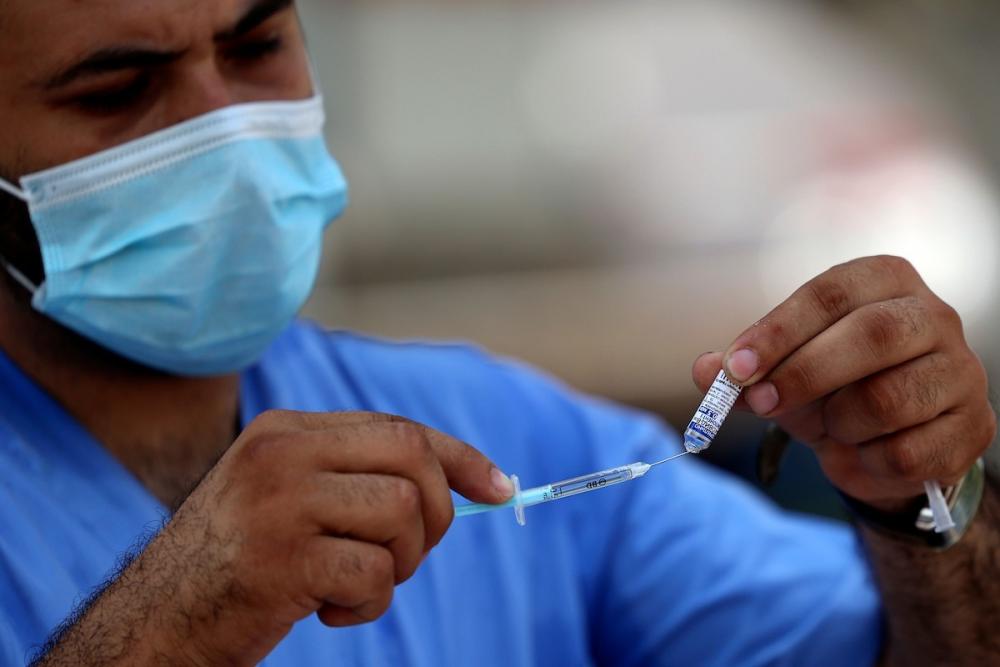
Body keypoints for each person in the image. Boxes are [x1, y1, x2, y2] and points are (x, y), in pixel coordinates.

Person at [0, 1, 997, 665]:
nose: (226, 135)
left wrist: (922, 500)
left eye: (257, 47)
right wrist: (168, 627)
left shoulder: (502, 433)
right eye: (115, 90)